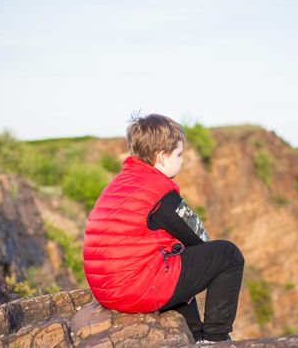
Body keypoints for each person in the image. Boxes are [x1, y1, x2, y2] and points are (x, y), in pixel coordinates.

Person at [83, 114, 244, 342]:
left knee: (178, 262)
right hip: (134, 288)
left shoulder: (120, 183)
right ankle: (216, 339)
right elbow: (199, 237)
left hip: (107, 289)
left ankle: (194, 337)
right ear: (161, 157)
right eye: (179, 155)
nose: (182, 161)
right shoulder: (159, 193)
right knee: (228, 255)